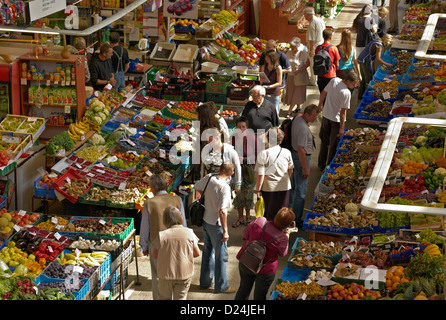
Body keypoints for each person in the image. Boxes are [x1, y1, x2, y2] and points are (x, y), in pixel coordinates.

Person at [139, 174, 187, 300]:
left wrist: (144, 246)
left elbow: (145, 227)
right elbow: (184, 223)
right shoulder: (177, 200)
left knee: (158, 277)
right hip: (177, 241)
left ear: (153, 188)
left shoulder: (149, 203)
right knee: (176, 273)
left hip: (157, 243)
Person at [234, 207, 295, 300]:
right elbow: (283, 253)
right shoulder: (283, 238)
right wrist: (287, 235)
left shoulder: (259, 221)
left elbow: (244, 234)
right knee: (260, 296)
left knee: (243, 290)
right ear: (287, 224)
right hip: (265, 270)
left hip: (247, 261)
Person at [195, 162, 236, 294]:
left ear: (220, 169)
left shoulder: (209, 177)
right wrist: (226, 231)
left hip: (206, 221)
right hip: (216, 225)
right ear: (231, 173)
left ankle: (205, 282)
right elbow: (222, 211)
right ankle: (222, 286)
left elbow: (197, 186)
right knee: (221, 256)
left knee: (207, 252)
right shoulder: (224, 187)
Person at [152, 206, 200, 300]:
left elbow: (154, 255)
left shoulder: (162, 235)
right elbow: (197, 253)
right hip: (184, 273)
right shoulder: (189, 233)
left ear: (165, 219)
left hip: (165, 274)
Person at [317, 72, 360, 171]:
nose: (353, 87)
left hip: (326, 116)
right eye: (353, 85)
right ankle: (329, 167)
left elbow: (323, 93)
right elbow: (343, 112)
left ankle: (321, 165)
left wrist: (320, 104)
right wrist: (342, 128)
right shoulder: (346, 93)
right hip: (335, 121)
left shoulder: (334, 80)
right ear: (348, 81)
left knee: (324, 142)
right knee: (333, 145)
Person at [254, 127, 294, 221]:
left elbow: (260, 174)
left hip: (268, 188)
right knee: (282, 215)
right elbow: (290, 170)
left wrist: (258, 190)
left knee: (268, 215)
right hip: (285, 187)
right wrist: (285, 180)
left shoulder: (263, 154)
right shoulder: (287, 152)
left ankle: (268, 234)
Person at [289, 104, 319, 228]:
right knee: (301, 191)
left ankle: (289, 213)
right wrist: (305, 167)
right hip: (301, 158)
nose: (315, 119)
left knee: (293, 188)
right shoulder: (302, 128)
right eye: (314, 116)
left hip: (294, 157)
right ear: (306, 115)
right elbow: (301, 149)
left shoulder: (298, 118)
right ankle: (296, 219)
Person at [231, 116, 259, 228]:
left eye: (243, 127)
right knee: (239, 192)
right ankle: (240, 217)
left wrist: (245, 159)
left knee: (248, 193)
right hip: (237, 169)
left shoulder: (252, 138)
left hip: (249, 169)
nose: (241, 129)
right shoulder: (233, 138)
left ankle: (248, 216)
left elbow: (257, 154)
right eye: (239, 127)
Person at [201, 127, 242, 192]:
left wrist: (238, 185)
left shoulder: (230, 151)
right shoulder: (206, 149)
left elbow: (237, 168)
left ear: (217, 138)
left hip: (224, 187)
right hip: (209, 185)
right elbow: (203, 168)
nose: (208, 141)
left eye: (210, 139)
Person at [357, 35, 393, 100]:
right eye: (388, 44)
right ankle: (367, 96)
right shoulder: (379, 46)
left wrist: (383, 65)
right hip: (366, 60)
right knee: (368, 78)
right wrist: (387, 64)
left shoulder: (377, 41)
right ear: (386, 42)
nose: (387, 46)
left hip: (361, 59)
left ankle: (360, 96)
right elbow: (378, 59)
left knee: (363, 79)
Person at [284, 37, 310, 118]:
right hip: (291, 76)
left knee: (295, 94)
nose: (292, 48)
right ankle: (298, 107)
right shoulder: (289, 52)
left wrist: (299, 70)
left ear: (298, 46)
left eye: (293, 47)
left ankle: (289, 111)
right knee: (292, 93)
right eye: (291, 46)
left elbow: (308, 64)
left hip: (299, 77)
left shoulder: (302, 52)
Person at [303, 7, 326, 86]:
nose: (305, 18)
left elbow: (311, 38)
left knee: (313, 63)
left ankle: (313, 80)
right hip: (321, 44)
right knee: (319, 62)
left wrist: (311, 50)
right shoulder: (320, 20)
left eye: (305, 15)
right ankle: (316, 78)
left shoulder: (312, 23)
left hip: (315, 45)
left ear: (309, 15)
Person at [314, 28, 341, 93]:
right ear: (331, 37)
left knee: (322, 94)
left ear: (323, 37)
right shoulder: (333, 48)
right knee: (330, 96)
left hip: (320, 74)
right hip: (330, 74)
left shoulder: (318, 48)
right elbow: (337, 63)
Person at [260, 50, 283, 118]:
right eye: (265, 57)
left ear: (272, 58)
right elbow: (261, 79)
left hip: (274, 94)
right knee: (264, 113)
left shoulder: (278, 68)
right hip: (265, 93)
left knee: (275, 113)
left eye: (267, 58)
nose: (266, 59)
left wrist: (269, 86)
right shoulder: (263, 67)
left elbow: (279, 83)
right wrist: (261, 81)